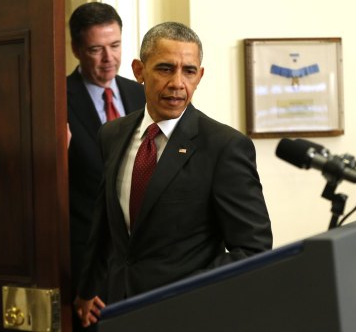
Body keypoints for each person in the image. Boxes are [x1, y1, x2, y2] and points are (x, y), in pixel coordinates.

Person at [74, 21, 273, 327]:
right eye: (165, 69)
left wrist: (185, 291)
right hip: (117, 310)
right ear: (139, 71)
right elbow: (103, 221)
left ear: (200, 76)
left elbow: (253, 247)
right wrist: (87, 289)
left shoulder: (224, 147)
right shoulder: (112, 134)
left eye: (189, 71)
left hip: (189, 315)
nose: (178, 83)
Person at [67, 2, 145, 331]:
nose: (108, 58)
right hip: (86, 263)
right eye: (96, 49)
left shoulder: (141, 94)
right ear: (76, 49)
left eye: (115, 46)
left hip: (143, 261)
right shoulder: (55, 98)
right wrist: (86, 281)